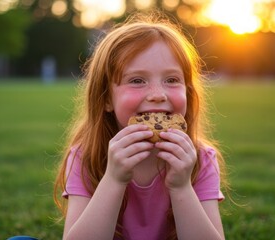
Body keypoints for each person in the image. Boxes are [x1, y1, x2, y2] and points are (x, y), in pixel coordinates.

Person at [54, 12, 229, 240]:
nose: (157, 95)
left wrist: (181, 186)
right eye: (137, 81)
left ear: (188, 92)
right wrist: (114, 179)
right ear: (106, 99)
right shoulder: (86, 156)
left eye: (172, 80)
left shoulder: (200, 159)